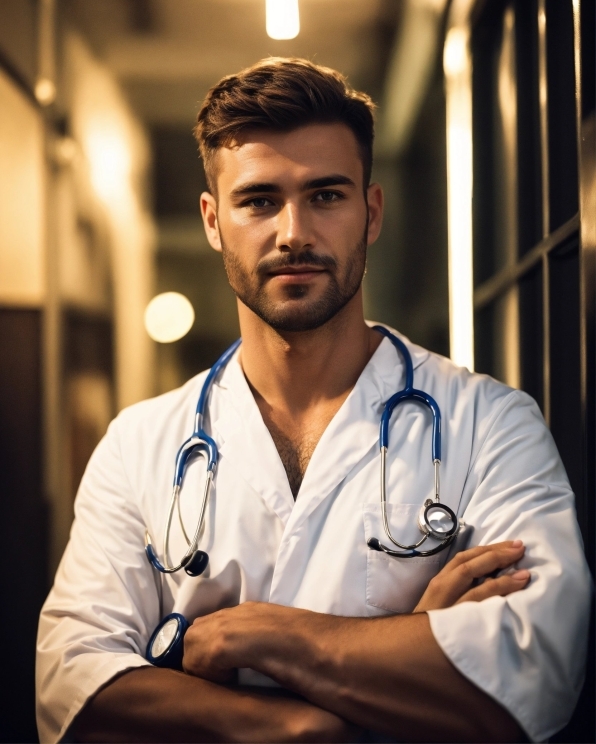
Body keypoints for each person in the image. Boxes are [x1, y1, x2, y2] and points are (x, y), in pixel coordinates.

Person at [37, 58, 590, 744]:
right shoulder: (139, 443)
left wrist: (253, 636)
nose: (293, 231)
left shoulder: (491, 423)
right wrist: (322, 707)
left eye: (326, 195)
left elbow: (536, 671)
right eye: (259, 200)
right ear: (213, 220)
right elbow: (72, 684)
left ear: (372, 211)